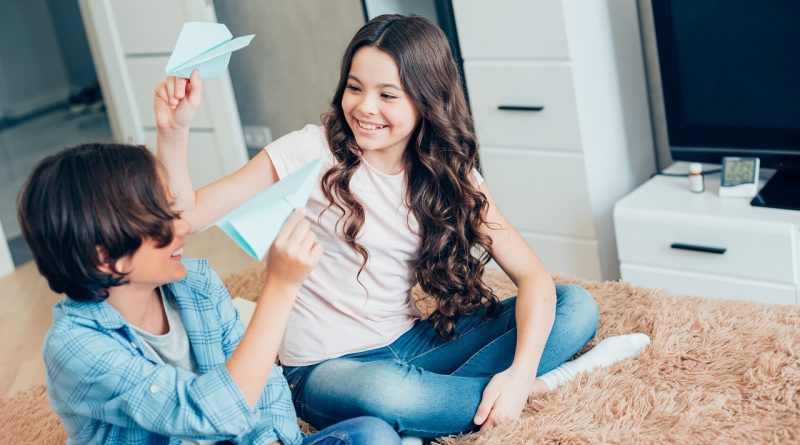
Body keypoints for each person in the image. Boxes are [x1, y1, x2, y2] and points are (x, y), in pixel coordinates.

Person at [155, 14, 649, 439]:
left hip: (415, 344)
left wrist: (518, 375)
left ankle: (467, 402)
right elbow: (185, 218)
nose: (364, 107)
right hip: (326, 369)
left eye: (387, 94)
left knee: (574, 306)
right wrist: (173, 133)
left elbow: (535, 279)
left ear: (425, 102)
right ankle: (553, 380)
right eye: (355, 87)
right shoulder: (308, 150)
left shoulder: (453, 175)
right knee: (387, 392)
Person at [18, 143, 401, 445]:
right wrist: (280, 286)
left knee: (375, 435)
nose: (182, 226)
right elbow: (208, 413)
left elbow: (264, 384)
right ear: (106, 259)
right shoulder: (76, 346)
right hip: (212, 419)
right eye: (160, 219)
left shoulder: (196, 285)